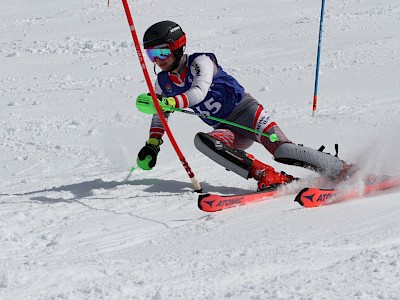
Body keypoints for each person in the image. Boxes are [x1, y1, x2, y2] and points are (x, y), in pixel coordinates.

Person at [136, 20, 353, 191]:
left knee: (283, 150)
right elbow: (160, 114)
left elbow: (198, 92)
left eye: (162, 52)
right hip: (228, 130)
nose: (157, 59)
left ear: (176, 47)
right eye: (151, 54)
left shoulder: (200, 62)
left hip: (248, 114)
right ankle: (266, 175)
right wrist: (152, 144)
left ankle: (343, 170)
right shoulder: (163, 82)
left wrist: (170, 102)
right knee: (204, 142)